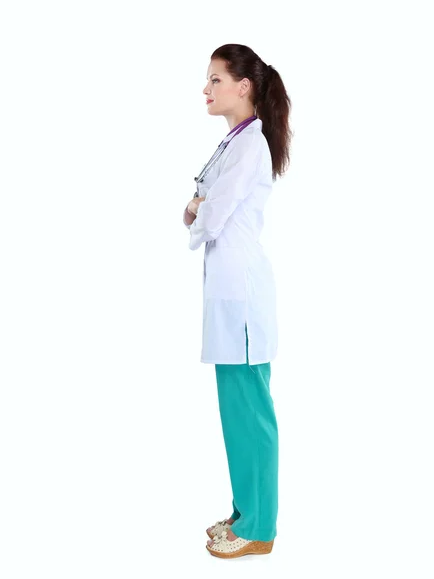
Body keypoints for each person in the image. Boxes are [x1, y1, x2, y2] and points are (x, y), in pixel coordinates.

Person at [183, 44, 293, 559]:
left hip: (243, 299)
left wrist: (198, 208)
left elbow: (212, 214)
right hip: (228, 295)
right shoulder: (237, 141)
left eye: (215, 80)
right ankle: (245, 509)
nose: (206, 90)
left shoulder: (251, 146)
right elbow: (204, 210)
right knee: (235, 410)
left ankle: (260, 526)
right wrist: (199, 208)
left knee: (251, 412)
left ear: (243, 86)